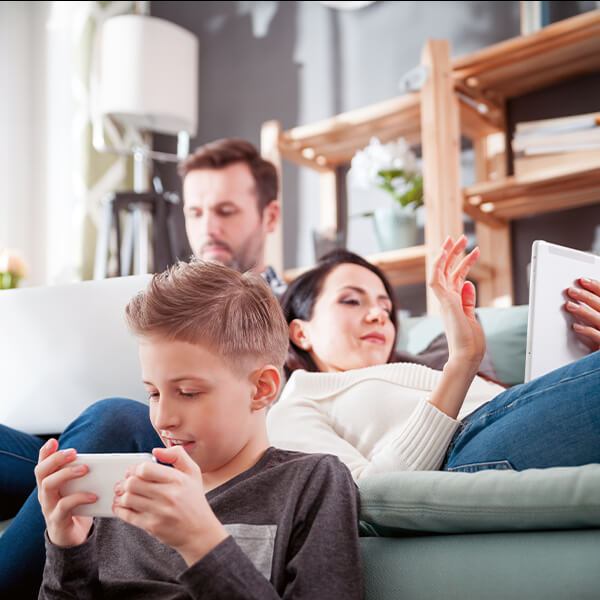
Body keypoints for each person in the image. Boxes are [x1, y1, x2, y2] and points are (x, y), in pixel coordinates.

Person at [0, 137, 286, 597]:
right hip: (79, 428)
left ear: (268, 217)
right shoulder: (156, 305)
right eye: (195, 212)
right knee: (78, 443)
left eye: (226, 211)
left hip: (140, 432)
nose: (208, 226)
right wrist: (67, 549)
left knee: (113, 417)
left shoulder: (300, 306)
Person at [35, 259, 363, 599]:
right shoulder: (127, 493)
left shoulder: (312, 482)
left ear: (262, 388)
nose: (162, 419)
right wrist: (67, 550)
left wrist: (201, 542)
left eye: (188, 393)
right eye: (153, 393)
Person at [267, 237, 600, 480]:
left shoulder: (415, 372)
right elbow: (366, 497)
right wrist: (462, 363)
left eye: (385, 307)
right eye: (352, 301)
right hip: (468, 448)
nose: (377, 315)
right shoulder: (296, 405)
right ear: (300, 333)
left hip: (509, 416)